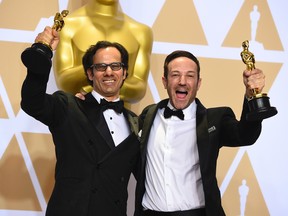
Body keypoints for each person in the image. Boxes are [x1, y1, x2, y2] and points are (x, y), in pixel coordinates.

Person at [21, 26, 141, 216]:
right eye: (100, 67)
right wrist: (41, 52)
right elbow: (32, 102)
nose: (109, 72)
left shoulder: (136, 123)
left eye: (116, 66)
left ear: (124, 72)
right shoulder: (68, 106)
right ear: (90, 74)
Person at [134, 50, 265, 216]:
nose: (182, 81)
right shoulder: (148, 116)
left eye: (190, 76)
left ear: (198, 83)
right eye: (175, 75)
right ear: (165, 81)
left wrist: (252, 96)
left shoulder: (214, 120)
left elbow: (246, 135)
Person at [53, 0, 153, 104]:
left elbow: (139, 88)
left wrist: (100, 87)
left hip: (121, 117)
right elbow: (63, 81)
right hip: (77, 115)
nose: (108, 72)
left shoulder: (141, 32)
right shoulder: (67, 25)